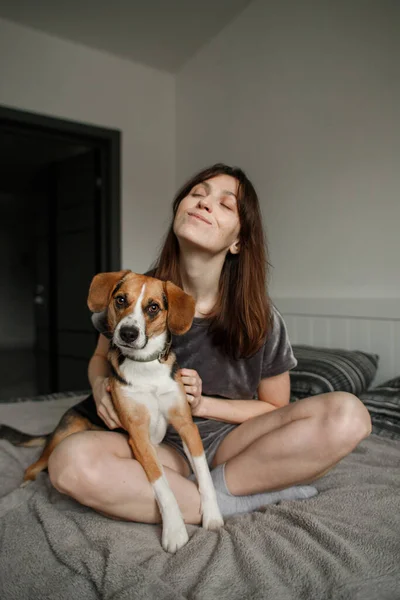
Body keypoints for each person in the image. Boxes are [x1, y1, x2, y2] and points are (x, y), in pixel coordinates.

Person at [48, 163, 372, 523]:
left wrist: (203, 405)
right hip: (160, 445)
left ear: (238, 241)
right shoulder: (138, 294)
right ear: (179, 210)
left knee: (349, 415)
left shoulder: (259, 316)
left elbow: (274, 408)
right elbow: (98, 359)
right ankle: (226, 501)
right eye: (197, 194)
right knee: (68, 462)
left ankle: (217, 489)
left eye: (225, 204)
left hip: (235, 444)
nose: (204, 203)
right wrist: (99, 387)